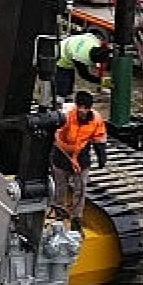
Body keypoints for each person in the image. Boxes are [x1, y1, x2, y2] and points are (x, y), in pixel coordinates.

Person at [51, 90, 108, 229]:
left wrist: (101, 155)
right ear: (76, 105)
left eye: (86, 107)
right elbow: (55, 134)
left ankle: (76, 218)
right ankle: (59, 212)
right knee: (60, 187)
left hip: (81, 157)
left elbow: (99, 137)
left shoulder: (96, 119)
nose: (82, 110)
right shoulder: (65, 115)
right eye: (80, 107)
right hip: (61, 155)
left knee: (81, 188)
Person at [55, 32, 111, 99]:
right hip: (61, 59)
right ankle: (60, 101)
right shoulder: (80, 57)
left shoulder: (93, 41)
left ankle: (67, 96)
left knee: (69, 84)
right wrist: (102, 81)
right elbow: (84, 75)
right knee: (62, 88)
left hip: (68, 44)